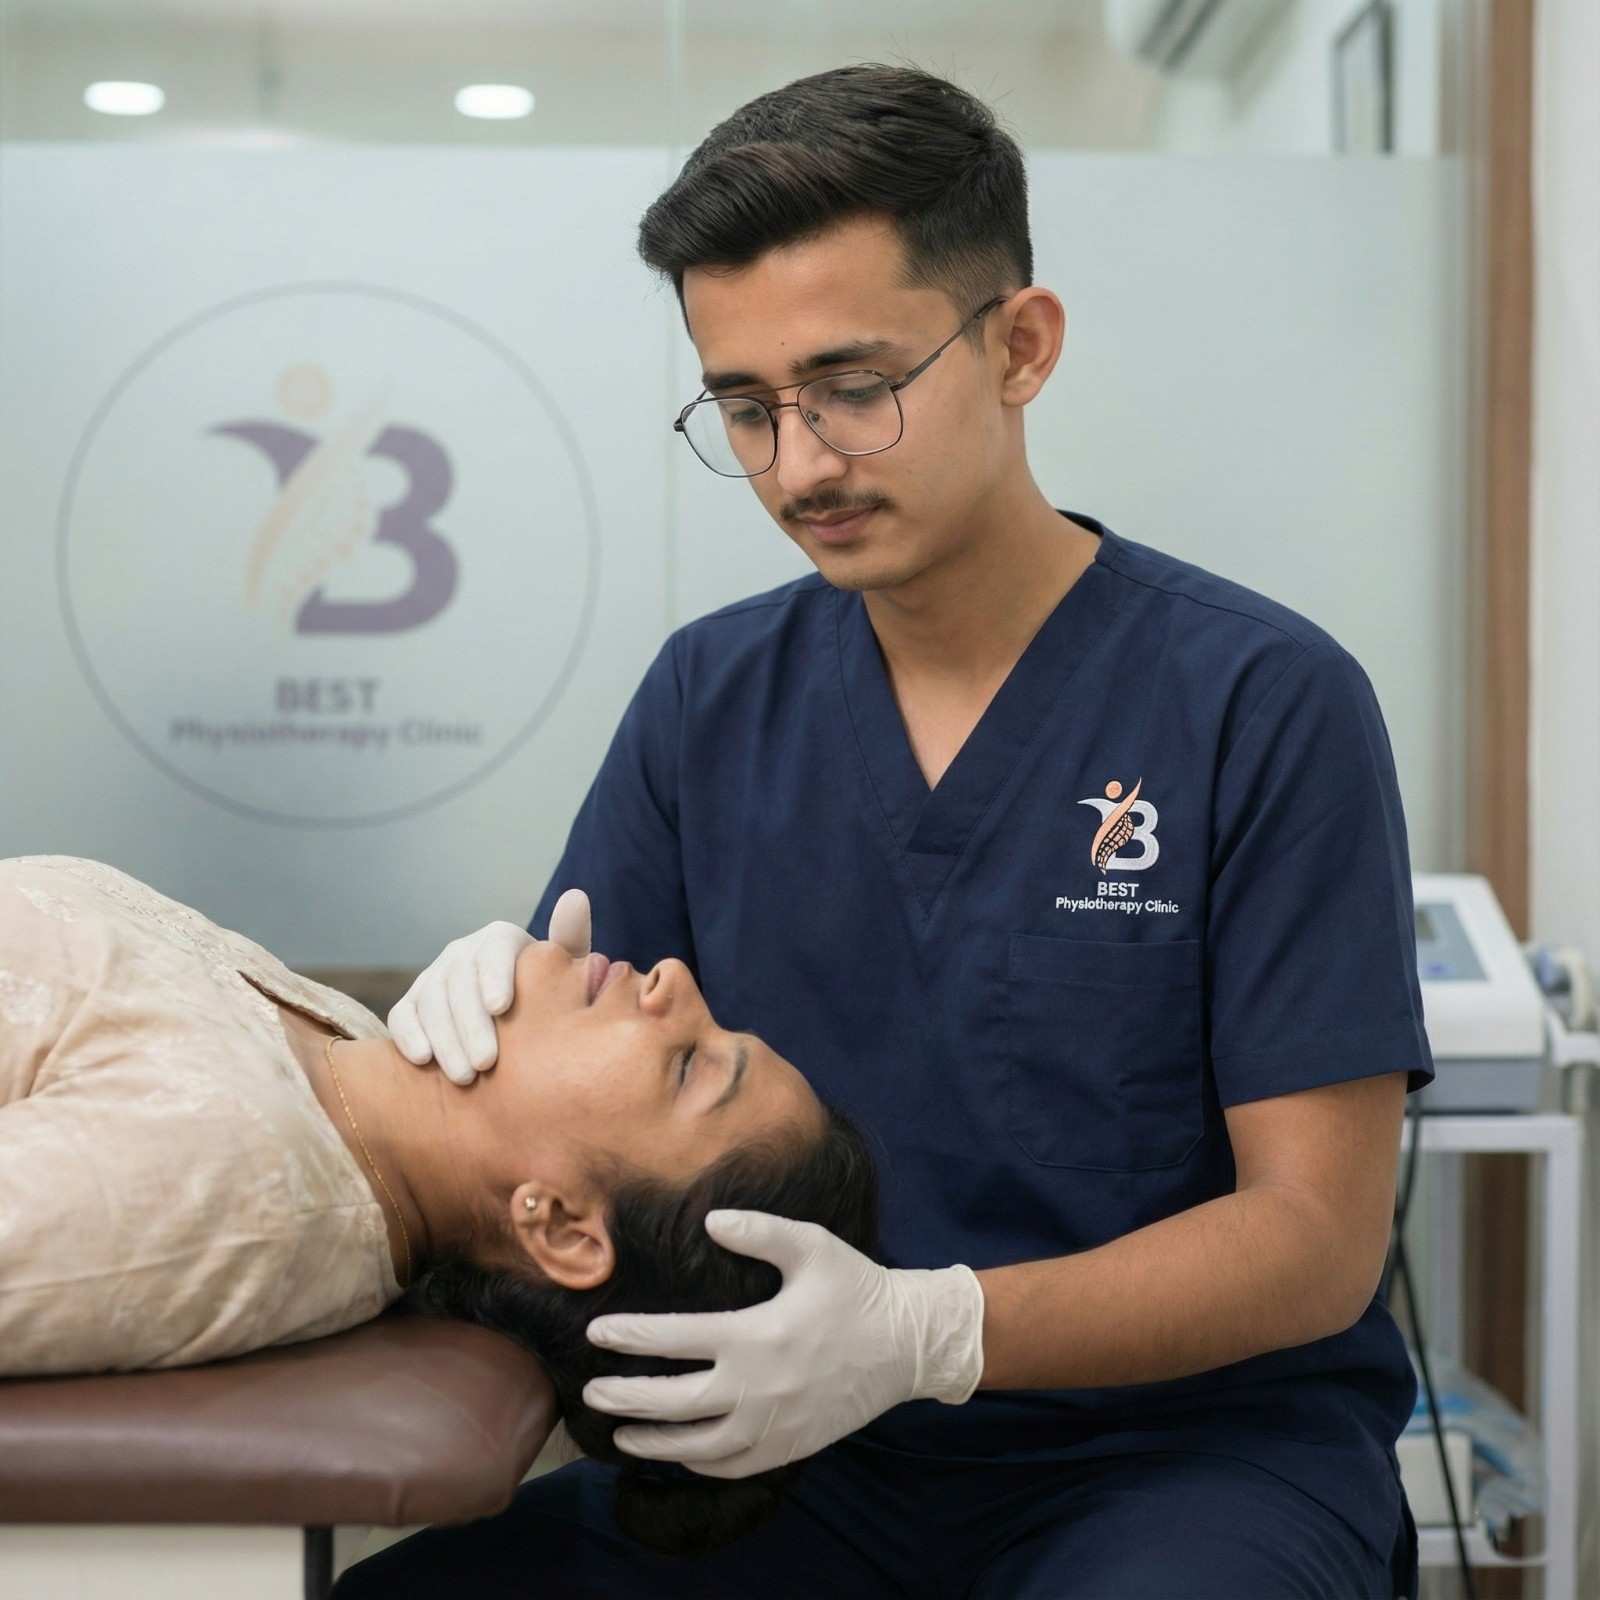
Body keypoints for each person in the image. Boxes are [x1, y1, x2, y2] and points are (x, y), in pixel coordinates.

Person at [337, 62, 1434, 1600]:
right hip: (807, 1466)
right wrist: (445, 1040)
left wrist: (932, 1334)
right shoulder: (711, 699)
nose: (800, 466)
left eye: (855, 386)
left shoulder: (1260, 703)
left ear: (1022, 346)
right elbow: (561, 1114)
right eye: (742, 407)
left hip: (1178, 1464)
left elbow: (1316, 1237)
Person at [0, 855, 881, 1555]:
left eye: (689, 1065)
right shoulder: (353, 1051)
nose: (675, 982)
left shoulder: (222, 1185)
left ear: (563, 1225)